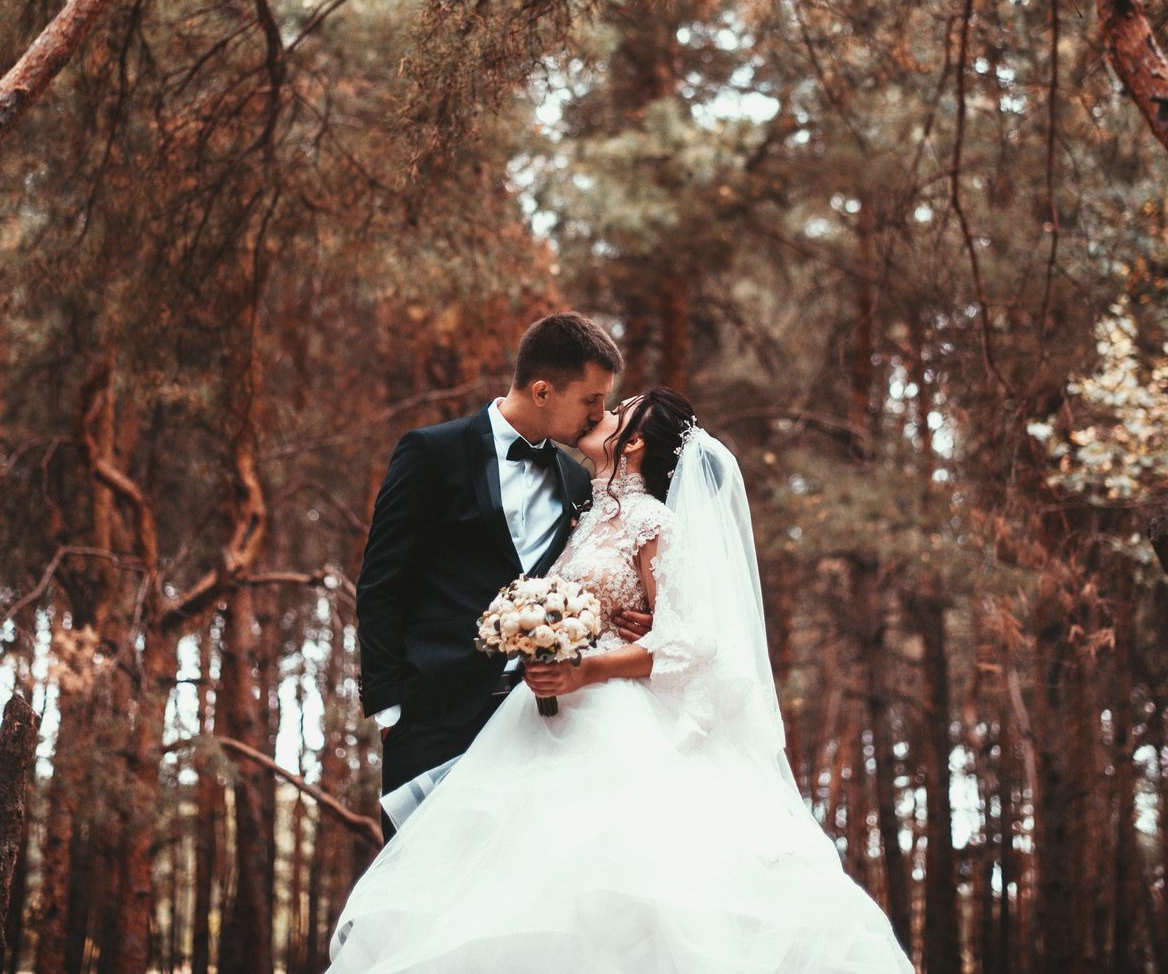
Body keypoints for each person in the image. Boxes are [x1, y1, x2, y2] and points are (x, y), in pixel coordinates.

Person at [328, 388, 917, 974]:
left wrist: (593, 666)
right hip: (535, 720)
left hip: (612, 723)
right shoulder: (582, 509)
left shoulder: (652, 520)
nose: (598, 415)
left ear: (632, 442)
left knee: (613, 892)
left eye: (615, 412)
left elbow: (691, 641)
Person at [355, 311, 652, 836]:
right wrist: (392, 712)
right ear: (542, 391)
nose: (599, 414)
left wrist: (645, 623)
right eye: (591, 400)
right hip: (435, 720)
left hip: (543, 724)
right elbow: (382, 585)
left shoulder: (578, 482)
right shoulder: (431, 453)